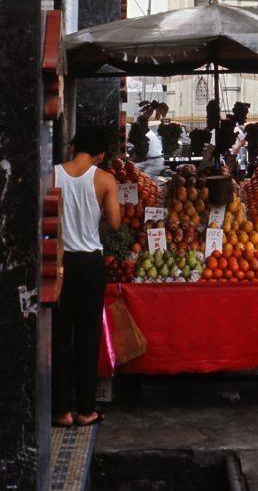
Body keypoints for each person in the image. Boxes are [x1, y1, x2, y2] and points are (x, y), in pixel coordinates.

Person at [52, 127, 121, 427]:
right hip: (90, 263)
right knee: (87, 337)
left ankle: (61, 411)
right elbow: (116, 223)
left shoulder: (51, 174)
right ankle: (86, 410)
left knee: (58, 337)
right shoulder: (104, 179)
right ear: (101, 155)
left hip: (59, 263)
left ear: (74, 146)